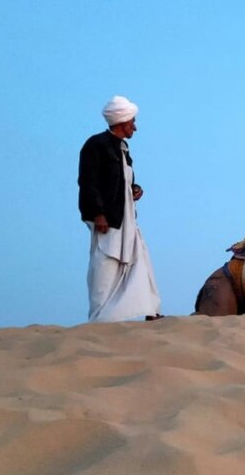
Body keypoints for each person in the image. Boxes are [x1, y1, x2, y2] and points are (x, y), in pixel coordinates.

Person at [78, 95, 162, 322]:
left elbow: (121, 181)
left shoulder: (122, 149)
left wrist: (134, 189)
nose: (135, 126)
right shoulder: (96, 145)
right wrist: (99, 213)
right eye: (132, 121)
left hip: (126, 219)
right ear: (122, 122)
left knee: (139, 259)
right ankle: (101, 318)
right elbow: (88, 182)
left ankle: (150, 310)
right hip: (108, 220)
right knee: (104, 267)